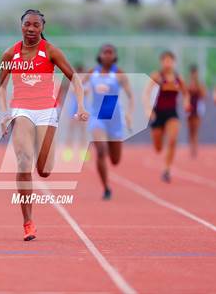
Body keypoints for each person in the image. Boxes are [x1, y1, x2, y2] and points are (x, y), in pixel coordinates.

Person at [0, 9, 89, 241]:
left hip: (47, 112)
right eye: (27, 24)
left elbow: (74, 78)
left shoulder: (50, 51)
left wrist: (80, 105)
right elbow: (1, 86)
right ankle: (28, 222)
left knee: (45, 170)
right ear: (21, 26)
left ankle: (40, 156)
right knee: (23, 163)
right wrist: (4, 113)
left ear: (42, 28)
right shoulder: (10, 54)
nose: (30, 29)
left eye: (36, 25)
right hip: (22, 110)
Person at [85, 44, 133, 200]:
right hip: (97, 115)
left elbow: (131, 96)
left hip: (114, 116)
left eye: (110, 52)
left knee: (115, 160)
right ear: (100, 55)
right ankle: (106, 187)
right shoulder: (93, 72)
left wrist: (129, 114)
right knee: (100, 150)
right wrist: (81, 96)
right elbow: (78, 87)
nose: (107, 55)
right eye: (105, 52)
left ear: (114, 56)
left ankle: (107, 176)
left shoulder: (118, 73)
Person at [143, 51, 190, 183]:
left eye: (170, 60)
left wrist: (186, 103)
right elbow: (146, 92)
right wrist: (147, 109)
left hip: (172, 113)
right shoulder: (157, 76)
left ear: (174, 62)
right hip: (158, 113)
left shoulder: (177, 77)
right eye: (165, 60)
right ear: (161, 62)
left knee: (172, 139)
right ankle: (160, 140)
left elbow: (186, 94)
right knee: (158, 148)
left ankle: (167, 169)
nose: (168, 63)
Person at [62, 64, 90, 162]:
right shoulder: (73, 81)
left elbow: (86, 91)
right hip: (73, 108)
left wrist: (81, 86)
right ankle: (68, 153)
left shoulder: (86, 81)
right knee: (71, 130)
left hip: (83, 107)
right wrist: (79, 86)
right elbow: (73, 90)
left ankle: (84, 153)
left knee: (83, 131)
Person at [186, 64, 206, 158]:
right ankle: (191, 148)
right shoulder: (188, 83)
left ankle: (195, 148)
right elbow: (185, 93)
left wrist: (197, 86)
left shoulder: (200, 84)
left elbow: (204, 95)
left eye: (195, 73)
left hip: (197, 110)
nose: (194, 75)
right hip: (189, 109)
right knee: (190, 130)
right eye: (192, 73)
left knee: (196, 129)